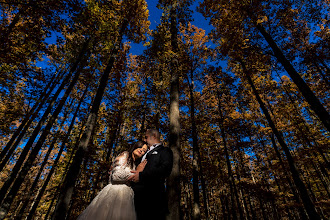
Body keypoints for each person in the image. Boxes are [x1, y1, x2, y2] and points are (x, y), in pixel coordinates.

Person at [77, 141, 148, 220]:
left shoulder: (135, 164)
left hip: (127, 197)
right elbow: (115, 175)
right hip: (115, 193)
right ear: (135, 146)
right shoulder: (125, 155)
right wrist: (136, 173)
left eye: (144, 150)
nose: (141, 150)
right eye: (140, 147)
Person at [128, 129, 173, 220]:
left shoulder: (165, 151)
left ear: (154, 136)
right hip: (133, 198)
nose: (144, 140)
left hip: (153, 199)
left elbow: (165, 170)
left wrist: (141, 175)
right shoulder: (142, 152)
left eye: (146, 137)